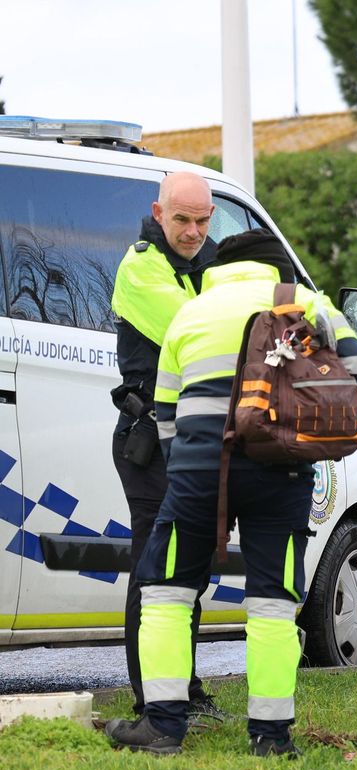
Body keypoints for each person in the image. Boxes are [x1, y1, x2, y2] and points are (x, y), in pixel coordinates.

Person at [105, 230, 357, 758]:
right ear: (274, 267)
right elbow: (351, 371)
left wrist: (187, 467)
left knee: (166, 592)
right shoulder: (307, 302)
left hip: (200, 471)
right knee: (274, 601)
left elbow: (166, 411)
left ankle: (162, 726)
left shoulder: (192, 312)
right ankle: (271, 736)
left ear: (219, 267)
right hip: (282, 470)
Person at [109, 171, 222, 726]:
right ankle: (151, 699)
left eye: (202, 220)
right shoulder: (140, 267)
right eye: (182, 219)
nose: (194, 231)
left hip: (194, 440)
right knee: (155, 569)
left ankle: (185, 690)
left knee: (188, 568)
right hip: (149, 441)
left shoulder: (212, 262)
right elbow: (197, 331)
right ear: (159, 213)